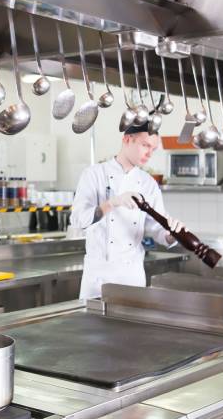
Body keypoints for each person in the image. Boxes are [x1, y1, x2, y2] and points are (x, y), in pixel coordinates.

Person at [70, 120, 184, 299]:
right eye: (145, 145)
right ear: (127, 139)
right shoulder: (93, 175)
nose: (149, 153)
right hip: (98, 277)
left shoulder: (148, 183)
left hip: (131, 276)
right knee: (91, 326)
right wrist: (112, 203)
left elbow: (156, 229)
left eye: (153, 149)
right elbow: (78, 220)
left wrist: (173, 233)